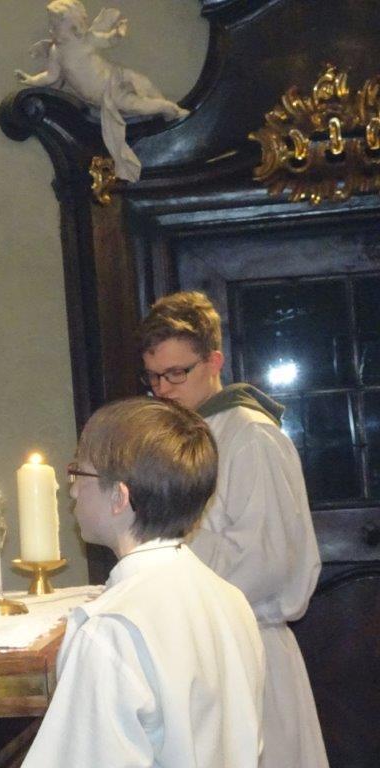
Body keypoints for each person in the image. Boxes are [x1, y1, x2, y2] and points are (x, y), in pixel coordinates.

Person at [138, 290, 327, 768]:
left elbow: (265, 561)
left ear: (214, 361)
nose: (163, 389)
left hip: (249, 647)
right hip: (207, 645)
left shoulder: (250, 436)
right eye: (154, 377)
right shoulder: (191, 437)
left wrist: (165, 580)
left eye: (177, 373)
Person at [22, 397, 265, 767]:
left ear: (119, 497)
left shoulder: (113, 630)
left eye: (79, 473)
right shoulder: (229, 599)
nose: (72, 490)